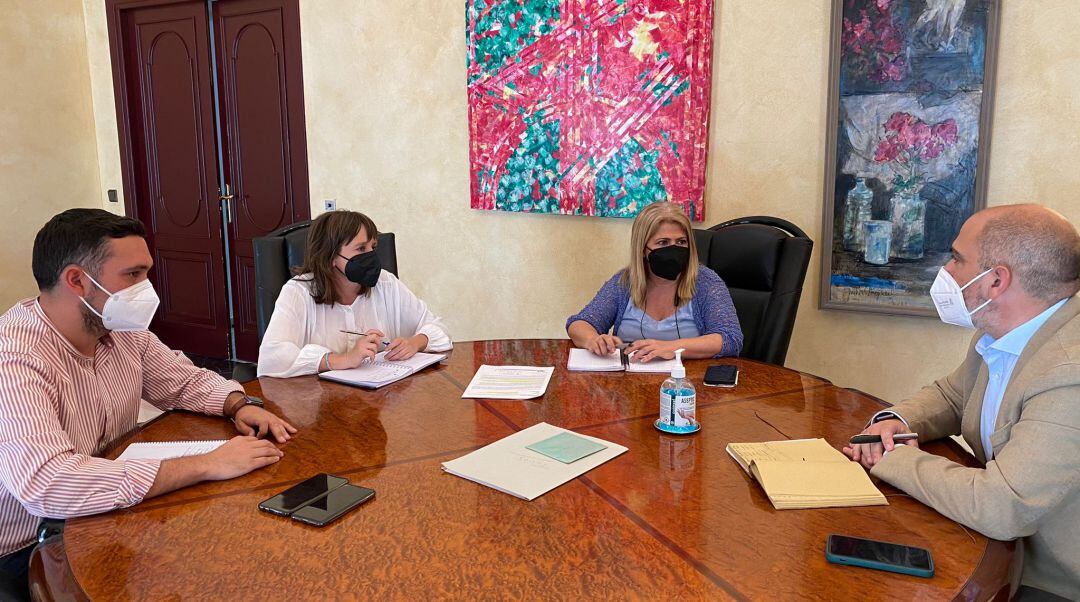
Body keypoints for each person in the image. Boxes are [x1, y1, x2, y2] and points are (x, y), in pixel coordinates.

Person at [0, 209, 296, 599]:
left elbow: (182, 381)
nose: (147, 288)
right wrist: (206, 464)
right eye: (133, 275)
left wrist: (238, 404)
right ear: (77, 280)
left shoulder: (119, 329)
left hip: (106, 515)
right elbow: (47, 483)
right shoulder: (15, 358)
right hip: (27, 547)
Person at [843, 204, 1080, 601]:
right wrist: (895, 420)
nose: (947, 270)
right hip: (994, 544)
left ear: (996, 280)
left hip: (1048, 581)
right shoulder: (1002, 333)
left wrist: (891, 458)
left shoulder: (1068, 373)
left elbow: (1003, 505)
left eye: (956, 258)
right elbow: (954, 395)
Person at [257, 210, 451, 378]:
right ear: (331, 256)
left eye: (373, 247)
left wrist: (414, 343)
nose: (371, 255)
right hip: (319, 401)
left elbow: (438, 328)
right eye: (361, 248)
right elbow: (272, 358)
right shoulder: (297, 292)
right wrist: (344, 359)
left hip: (378, 398)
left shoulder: (386, 283)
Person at [566, 202, 742, 361]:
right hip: (629, 380)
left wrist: (672, 348)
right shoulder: (624, 282)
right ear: (643, 249)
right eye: (663, 242)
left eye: (681, 242)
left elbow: (730, 338)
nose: (673, 249)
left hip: (685, 382)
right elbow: (579, 323)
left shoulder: (705, 282)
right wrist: (593, 340)